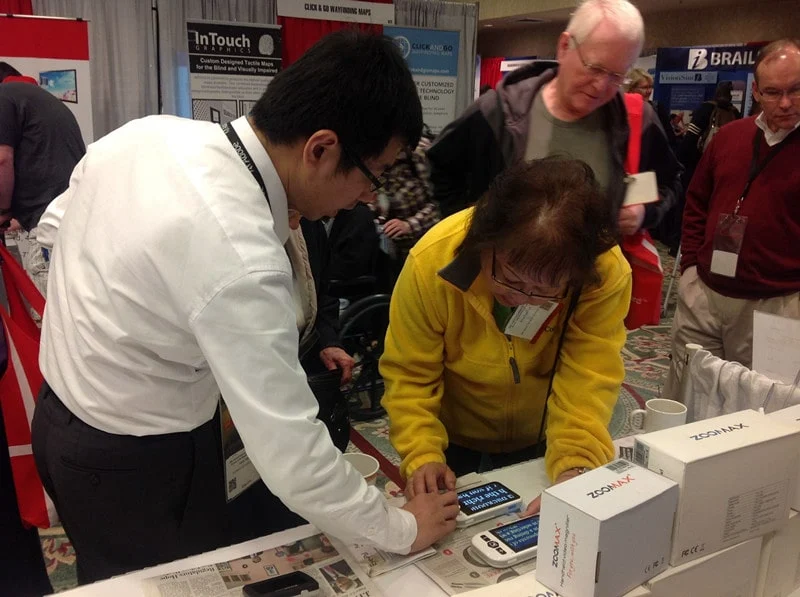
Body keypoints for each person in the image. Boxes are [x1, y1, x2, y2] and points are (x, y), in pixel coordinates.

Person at [30, 31, 459, 585]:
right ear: (321, 149)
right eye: (373, 176)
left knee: (109, 574)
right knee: (171, 583)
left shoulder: (154, 134)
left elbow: (56, 224)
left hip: (61, 413)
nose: (369, 200)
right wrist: (404, 528)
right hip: (137, 459)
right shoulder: (243, 257)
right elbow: (293, 457)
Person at [380, 158, 632, 515]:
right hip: (454, 430)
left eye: (545, 290)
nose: (523, 298)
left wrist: (576, 464)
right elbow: (409, 374)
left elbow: (588, 375)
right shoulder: (431, 262)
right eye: (510, 278)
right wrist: (422, 454)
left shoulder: (603, 272)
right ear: (487, 241)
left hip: (545, 430)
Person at [426, 0, 682, 239]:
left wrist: (644, 212)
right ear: (564, 47)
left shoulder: (638, 120)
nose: (601, 86)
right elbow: (439, 169)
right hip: (502, 280)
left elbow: (667, 182)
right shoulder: (497, 111)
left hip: (597, 282)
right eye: (594, 68)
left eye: (616, 76)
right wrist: (472, 232)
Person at [664, 39, 800, 401]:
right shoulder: (729, 137)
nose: (785, 102)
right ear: (755, 91)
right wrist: (690, 267)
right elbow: (696, 201)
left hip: (777, 304)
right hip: (705, 294)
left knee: (758, 412)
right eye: (773, 92)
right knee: (686, 397)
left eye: (795, 90)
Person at [0, 67, 85, 295]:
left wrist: (3, 211)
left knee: (47, 310)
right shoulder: (43, 100)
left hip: (47, 223)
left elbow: (1, 159)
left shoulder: (4, 96)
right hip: (73, 215)